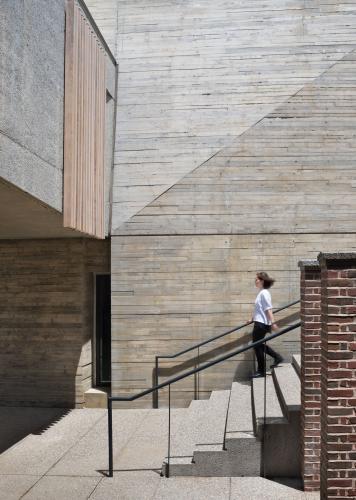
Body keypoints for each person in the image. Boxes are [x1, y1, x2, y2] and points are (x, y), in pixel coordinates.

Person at [250, 271, 283, 378]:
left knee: (257, 346)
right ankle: (277, 357)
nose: (255, 281)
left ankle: (261, 371)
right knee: (258, 345)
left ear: (262, 281)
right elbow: (259, 309)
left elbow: (268, 308)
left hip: (261, 324)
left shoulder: (264, 293)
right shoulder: (261, 292)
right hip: (259, 322)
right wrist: (251, 318)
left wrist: (273, 322)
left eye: (257, 279)